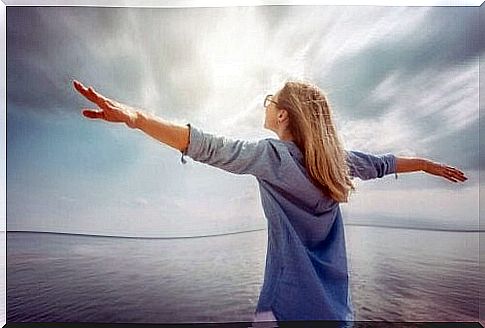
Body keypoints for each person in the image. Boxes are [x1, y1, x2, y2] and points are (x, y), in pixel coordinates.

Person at [73, 79, 468, 326]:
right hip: (336, 312)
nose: (265, 104)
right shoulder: (337, 161)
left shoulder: (271, 157)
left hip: (284, 308)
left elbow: (207, 146)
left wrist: (139, 118)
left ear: (282, 116)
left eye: (269, 99)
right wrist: (429, 165)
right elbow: (387, 163)